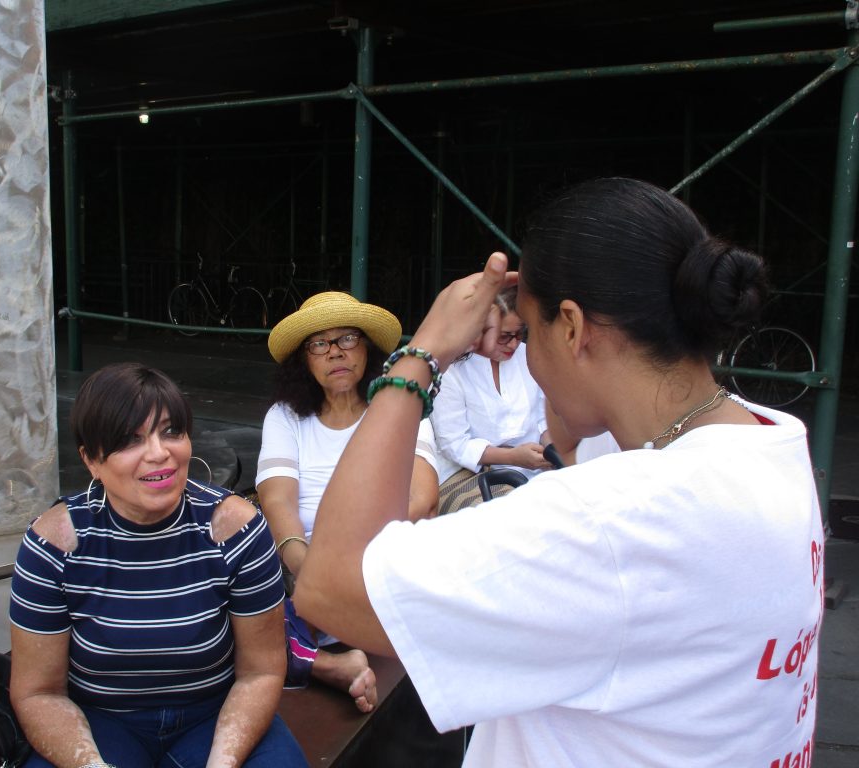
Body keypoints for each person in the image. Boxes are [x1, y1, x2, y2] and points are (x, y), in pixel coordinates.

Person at [292, 178, 824, 767]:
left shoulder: (605, 522)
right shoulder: (771, 440)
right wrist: (573, 425)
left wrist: (423, 353)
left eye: (526, 330)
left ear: (571, 326)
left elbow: (330, 587)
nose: (521, 351)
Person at [9, 363, 307, 768]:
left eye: (171, 432)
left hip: (215, 713)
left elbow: (261, 671)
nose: (159, 453)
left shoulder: (235, 528)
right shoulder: (54, 544)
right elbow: (38, 692)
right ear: (91, 460)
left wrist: (223, 761)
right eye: (130, 440)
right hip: (99, 721)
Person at [256, 291, 439, 712]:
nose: (334, 352)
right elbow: (277, 502)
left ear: (367, 348)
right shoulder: (285, 416)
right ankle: (329, 663)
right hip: (305, 574)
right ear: (304, 360)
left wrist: (345, 573)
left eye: (347, 339)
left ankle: (313, 656)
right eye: (318, 344)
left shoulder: (399, 406)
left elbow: (422, 499)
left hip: (380, 567)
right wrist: (311, 573)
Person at [431, 285, 553, 513]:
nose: (514, 344)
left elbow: (543, 418)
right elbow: (454, 444)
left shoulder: (529, 354)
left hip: (535, 469)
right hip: (470, 474)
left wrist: (551, 448)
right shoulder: (451, 369)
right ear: (479, 330)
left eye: (519, 334)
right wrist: (513, 457)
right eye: (504, 336)